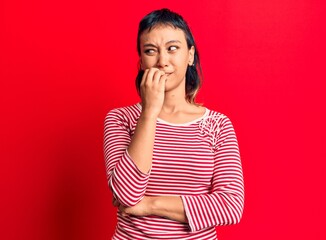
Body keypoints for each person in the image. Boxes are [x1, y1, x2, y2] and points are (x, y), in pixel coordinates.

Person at [104, 8, 244, 239]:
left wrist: (149, 205)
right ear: (141, 61)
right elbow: (127, 195)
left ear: (189, 55)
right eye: (151, 51)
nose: (162, 61)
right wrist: (149, 111)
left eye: (172, 48)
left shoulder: (218, 125)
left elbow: (230, 206)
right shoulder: (120, 119)